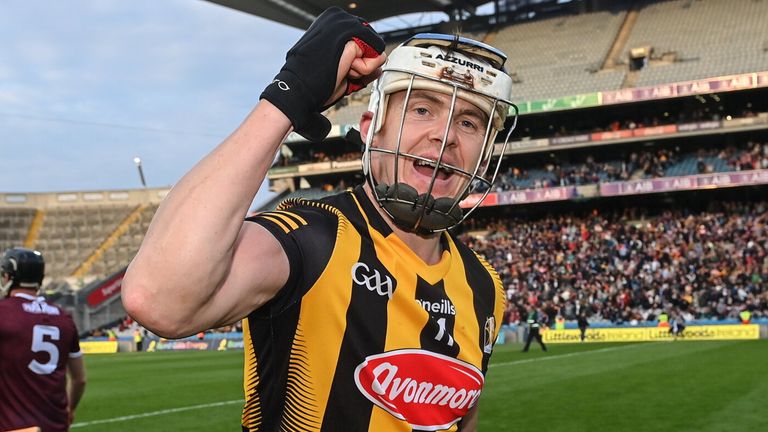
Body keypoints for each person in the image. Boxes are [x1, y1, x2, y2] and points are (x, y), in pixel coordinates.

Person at [123, 6, 517, 431]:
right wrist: (288, 98)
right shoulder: (310, 234)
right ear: (371, 128)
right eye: (423, 109)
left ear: (485, 152)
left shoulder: (485, 286)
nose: (447, 135)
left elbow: (459, 422)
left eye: (470, 121)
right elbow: (158, 299)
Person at [0, 248, 87, 432]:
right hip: (55, 424)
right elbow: (79, 379)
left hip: (14, 426)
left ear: (10, 277)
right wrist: (70, 409)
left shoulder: (4, 313)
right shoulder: (64, 317)